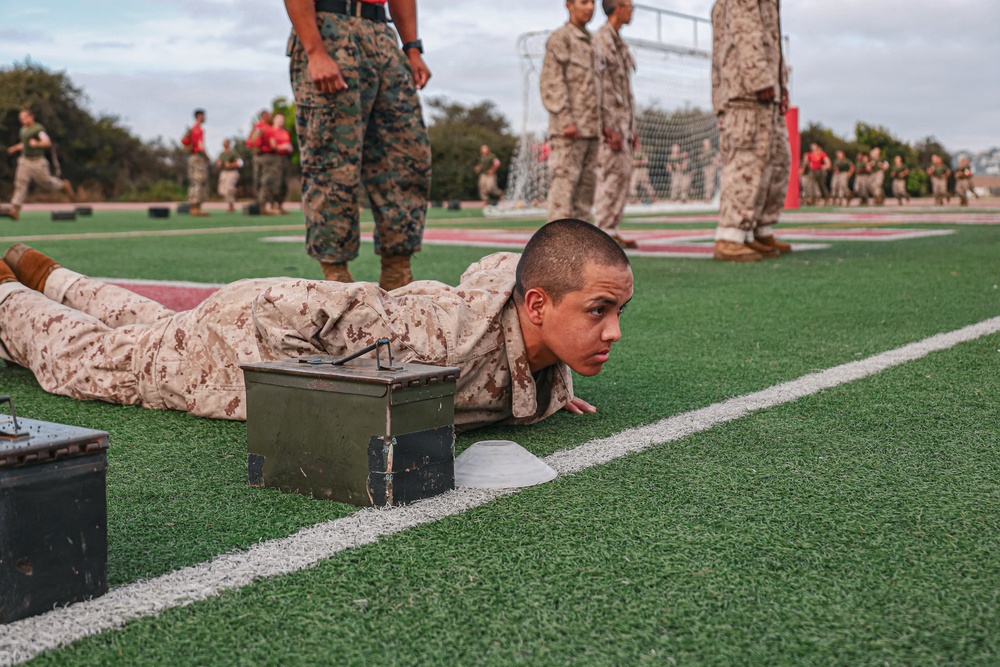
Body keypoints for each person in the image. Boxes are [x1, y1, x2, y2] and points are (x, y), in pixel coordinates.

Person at [0, 219, 632, 430]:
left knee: (156, 326)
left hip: (258, 319)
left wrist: (556, 383)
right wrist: (304, 394)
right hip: (251, 337)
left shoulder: (530, 320)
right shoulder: (440, 337)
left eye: (617, 312)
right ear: (540, 305)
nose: (612, 333)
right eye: (597, 312)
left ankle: (48, 274)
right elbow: (292, 310)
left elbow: (500, 269)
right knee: (89, 362)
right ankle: (8, 299)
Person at [285, 0, 431, 291]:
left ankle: (397, 273)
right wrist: (315, 51)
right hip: (330, 28)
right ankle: (336, 280)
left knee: (406, 157)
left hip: (383, 35)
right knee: (332, 160)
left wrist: (412, 48)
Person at [711, 0, 792, 262]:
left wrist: (781, 84)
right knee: (746, 161)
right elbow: (746, 29)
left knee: (773, 160)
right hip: (746, 90)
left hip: (765, 91)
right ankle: (730, 234)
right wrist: (759, 77)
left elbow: (771, 38)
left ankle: (756, 229)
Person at [540, 0, 602, 222]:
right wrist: (565, 119)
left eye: (592, 3)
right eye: (584, 2)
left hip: (592, 130)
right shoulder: (561, 38)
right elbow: (551, 81)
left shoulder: (593, 43)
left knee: (585, 198)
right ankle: (556, 250)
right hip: (569, 130)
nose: (590, 8)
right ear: (569, 5)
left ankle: (580, 251)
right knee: (563, 194)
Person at [593, 0, 638, 250]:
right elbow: (600, 89)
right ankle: (602, 233)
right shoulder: (600, 41)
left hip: (623, 126)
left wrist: (631, 128)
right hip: (610, 128)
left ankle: (610, 230)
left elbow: (625, 92)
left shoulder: (620, 44)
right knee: (610, 177)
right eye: (629, 6)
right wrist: (608, 126)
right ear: (617, 7)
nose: (632, 11)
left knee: (621, 176)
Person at [0, 108, 75, 222]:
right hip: (24, 160)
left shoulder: (38, 128)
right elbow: (25, 144)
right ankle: (15, 210)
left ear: (31, 117)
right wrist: (15, 148)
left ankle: (63, 185)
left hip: (37, 161)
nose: (22, 120)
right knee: (20, 183)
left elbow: (47, 142)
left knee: (46, 183)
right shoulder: (23, 130)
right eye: (21, 118)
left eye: (24, 117)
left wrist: (37, 144)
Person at [181, 109, 211, 217]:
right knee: (198, 180)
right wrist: (208, 157)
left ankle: (195, 206)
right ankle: (195, 207)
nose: (205, 118)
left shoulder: (192, 129)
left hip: (192, 157)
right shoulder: (198, 130)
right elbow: (200, 146)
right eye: (203, 116)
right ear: (199, 116)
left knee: (195, 181)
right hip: (198, 157)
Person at [247, 109, 275, 213]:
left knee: (257, 180)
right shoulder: (268, 128)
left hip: (256, 156)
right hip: (267, 156)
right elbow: (273, 144)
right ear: (265, 116)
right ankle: (263, 206)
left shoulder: (255, 127)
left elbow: (249, 142)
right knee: (266, 180)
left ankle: (258, 203)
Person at [270, 113, 295, 215]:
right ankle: (272, 205)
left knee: (284, 182)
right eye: (279, 119)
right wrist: (282, 147)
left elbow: (289, 144)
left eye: (282, 119)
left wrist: (290, 148)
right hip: (275, 158)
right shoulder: (272, 131)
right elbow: (273, 146)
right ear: (274, 120)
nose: (281, 121)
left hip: (285, 159)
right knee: (276, 181)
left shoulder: (285, 132)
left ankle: (280, 205)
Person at [215, 140, 242, 213]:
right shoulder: (222, 154)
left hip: (232, 172)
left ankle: (231, 206)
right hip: (224, 172)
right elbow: (218, 162)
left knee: (229, 189)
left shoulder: (233, 153)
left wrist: (231, 165)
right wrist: (219, 163)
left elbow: (239, 163)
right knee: (222, 190)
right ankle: (236, 191)